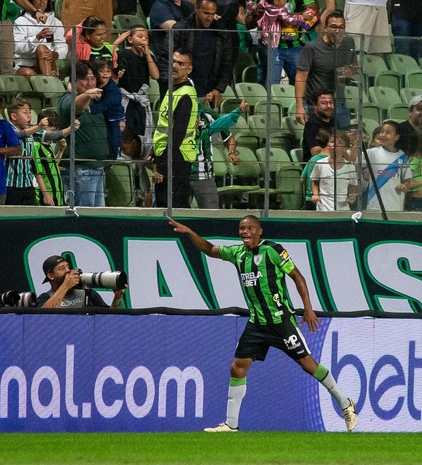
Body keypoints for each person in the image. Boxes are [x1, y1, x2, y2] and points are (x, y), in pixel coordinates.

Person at [168, 214, 358, 432]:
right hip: (257, 323)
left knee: (308, 364)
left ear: (260, 232)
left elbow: (298, 277)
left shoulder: (273, 251)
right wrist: (191, 233)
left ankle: (346, 404)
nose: (245, 232)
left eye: (249, 228)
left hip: (280, 321)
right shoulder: (237, 253)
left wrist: (307, 307)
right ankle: (231, 425)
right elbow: (210, 249)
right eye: (241, 228)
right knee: (237, 368)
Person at [60, 61, 112, 207]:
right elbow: (77, 106)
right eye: (85, 78)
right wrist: (88, 95)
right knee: (82, 215)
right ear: (73, 80)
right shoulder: (66, 99)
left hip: (97, 169)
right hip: (79, 170)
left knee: (96, 218)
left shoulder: (97, 102)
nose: (90, 83)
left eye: (92, 78)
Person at [294, 10, 356, 130]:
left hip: (339, 101)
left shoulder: (349, 43)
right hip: (316, 104)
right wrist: (299, 106)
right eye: (333, 27)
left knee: (342, 140)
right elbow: (300, 77)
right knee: (319, 140)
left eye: (341, 27)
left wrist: (348, 71)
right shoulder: (312, 47)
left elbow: (354, 65)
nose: (337, 31)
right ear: (325, 28)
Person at [152, 48, 197, 208]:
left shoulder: (184, 95)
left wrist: (162, 166)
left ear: (189, 69)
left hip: (175, 159)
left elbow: (177, 135)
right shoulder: (174, 90)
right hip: (169, 156)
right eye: (174, 61)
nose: (175, 66)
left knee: (172, 206)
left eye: (181, 63)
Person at [14, 0, 66, 77]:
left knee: (42, 49)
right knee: (28, 73)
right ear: (30, 1)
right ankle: (47, 82)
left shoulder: (55, 22)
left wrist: (55, 54)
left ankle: (46, 82)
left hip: (48, 63)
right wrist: (37, 38)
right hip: (26, 65)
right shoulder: (20, 21)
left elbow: (62, 46)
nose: (42, 1)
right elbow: (18, 47)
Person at [37, 254, 125, 309]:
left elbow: (111, 318)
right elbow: (43, 317)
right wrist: (65, 286)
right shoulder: (46, 297)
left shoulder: (87, 293)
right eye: (62, 268)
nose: (68, 270)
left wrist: (117, 297)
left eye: (68, 266)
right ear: (51, 276)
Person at [365, 120, 410, 213]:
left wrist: (405, 185)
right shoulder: (371, 153)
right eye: (381, 132)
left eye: (388, 133)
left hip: (396, 206)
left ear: (397, 137)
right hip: (374, 206)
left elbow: (408, 180)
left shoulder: (402, 156)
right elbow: (352, 159)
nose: (383, 135)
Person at [310, 132, 356, 211]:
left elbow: (352, 185)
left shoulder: (350, 167)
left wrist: (352, 196)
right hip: (323, 208)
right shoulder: (320, 164)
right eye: (332, 142)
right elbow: (315, 181)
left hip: (343, 208)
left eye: (340, 143)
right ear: (328, 145)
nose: (335, 145)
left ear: (345, 148)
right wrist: (315, 194)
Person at [302, 90, 335, 157]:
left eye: (331, 103)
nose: (329, 106)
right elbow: (315, 152)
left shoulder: (334, 122)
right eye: (324, 103)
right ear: (315, 105)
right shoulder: (311, 125)